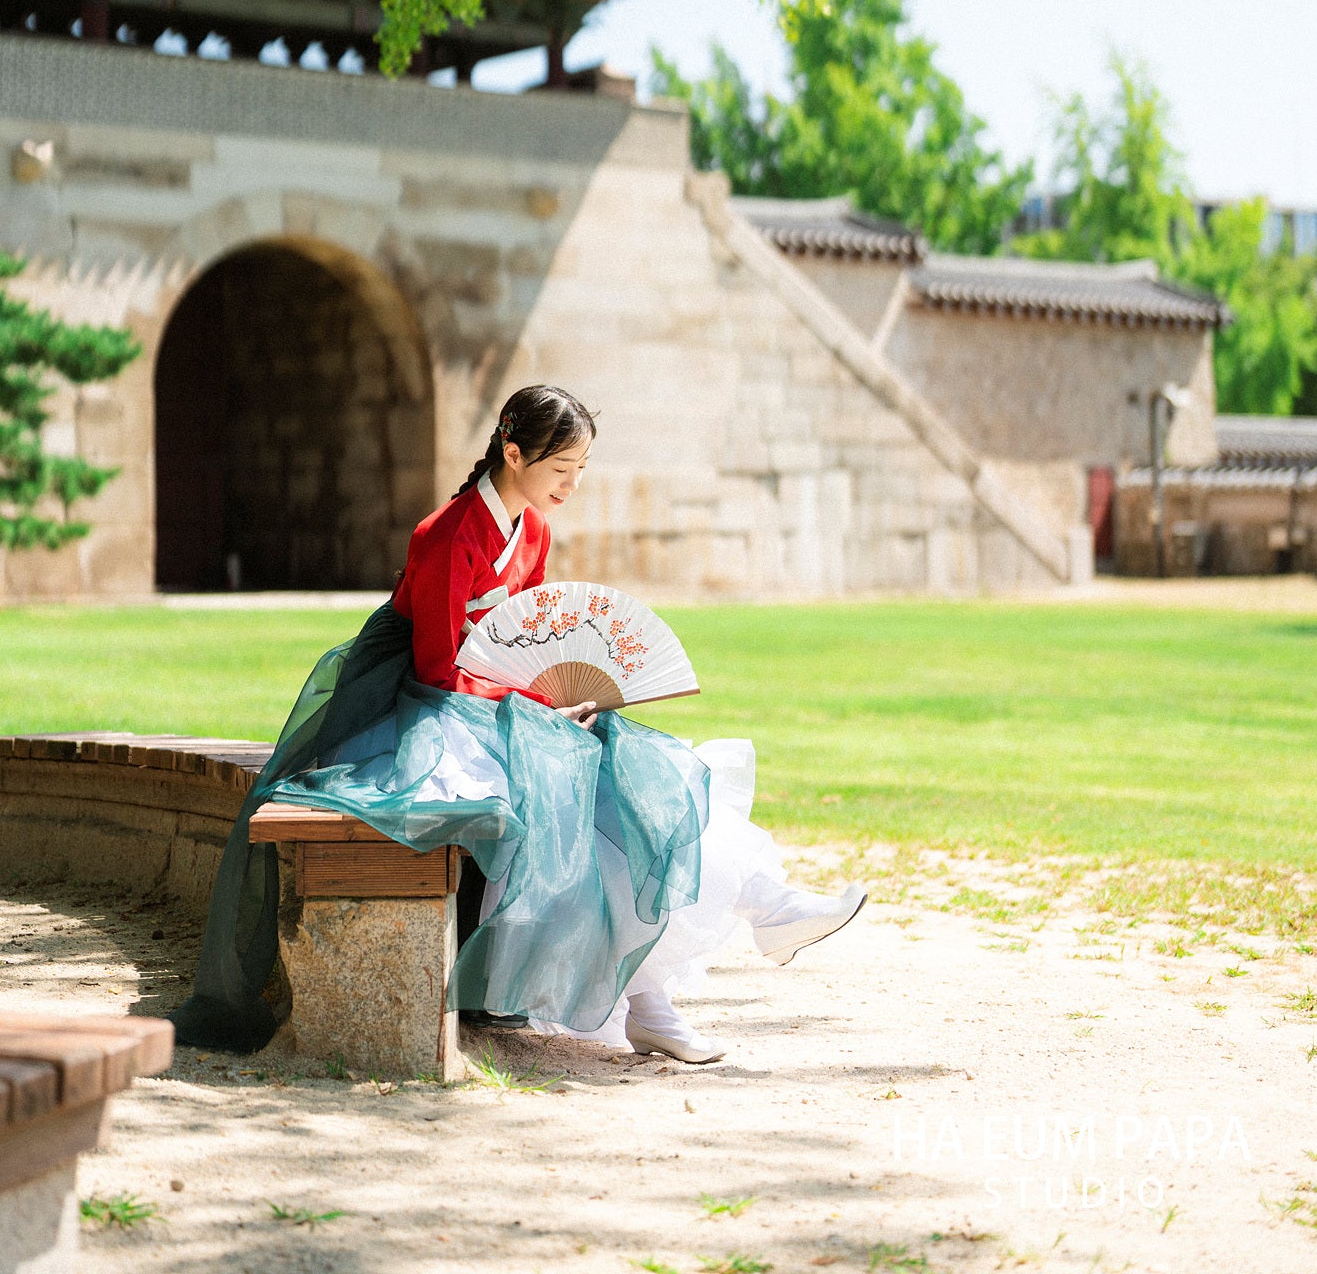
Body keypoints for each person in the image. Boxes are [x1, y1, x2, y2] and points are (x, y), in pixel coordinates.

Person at [171, 384, 864, 1063]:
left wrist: (559, 700)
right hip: (421, 702)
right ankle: (656, 999)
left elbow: (531, 640)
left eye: (581, 470)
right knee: (572, 796)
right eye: (561, 469)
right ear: (511, 450)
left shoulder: (533, 530)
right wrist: (537, 708)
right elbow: (441, 666)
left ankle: (754, 916)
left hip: (498, 701)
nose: (572, 484)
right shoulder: (444, 535)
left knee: (628, 768)